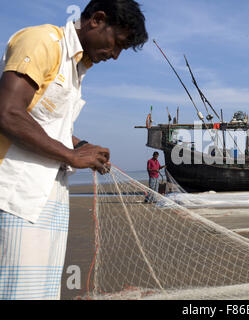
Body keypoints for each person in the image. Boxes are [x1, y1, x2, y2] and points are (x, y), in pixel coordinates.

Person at [0, 0, 148, 300]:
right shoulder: (44, 41)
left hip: (49, 198)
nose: (116, 55)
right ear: (96, 19)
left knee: (42, 293)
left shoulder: (76, 68)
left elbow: (48, 126)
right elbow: (8, 112)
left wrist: (81, 146)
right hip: (16, 197)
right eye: (117, 44)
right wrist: (71, 156)